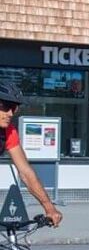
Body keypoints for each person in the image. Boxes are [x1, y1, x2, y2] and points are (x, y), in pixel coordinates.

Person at [0, 82, 62, 227]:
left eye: (14, 108)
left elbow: (26, 172)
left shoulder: (8, 132)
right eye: (7, 106)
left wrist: (49, 207)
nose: (11, 113)